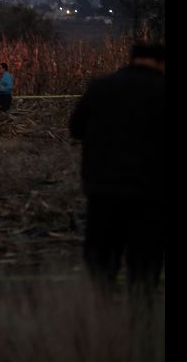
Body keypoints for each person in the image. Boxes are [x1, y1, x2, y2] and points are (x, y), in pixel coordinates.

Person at [69, 42, 165, 298]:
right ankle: (138, 321)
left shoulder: (101, 87)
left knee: (100, 260)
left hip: (103, 189)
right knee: (145, 265)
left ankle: (98, 319)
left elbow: (75, 128)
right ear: (159, 63)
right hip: (151, 193)